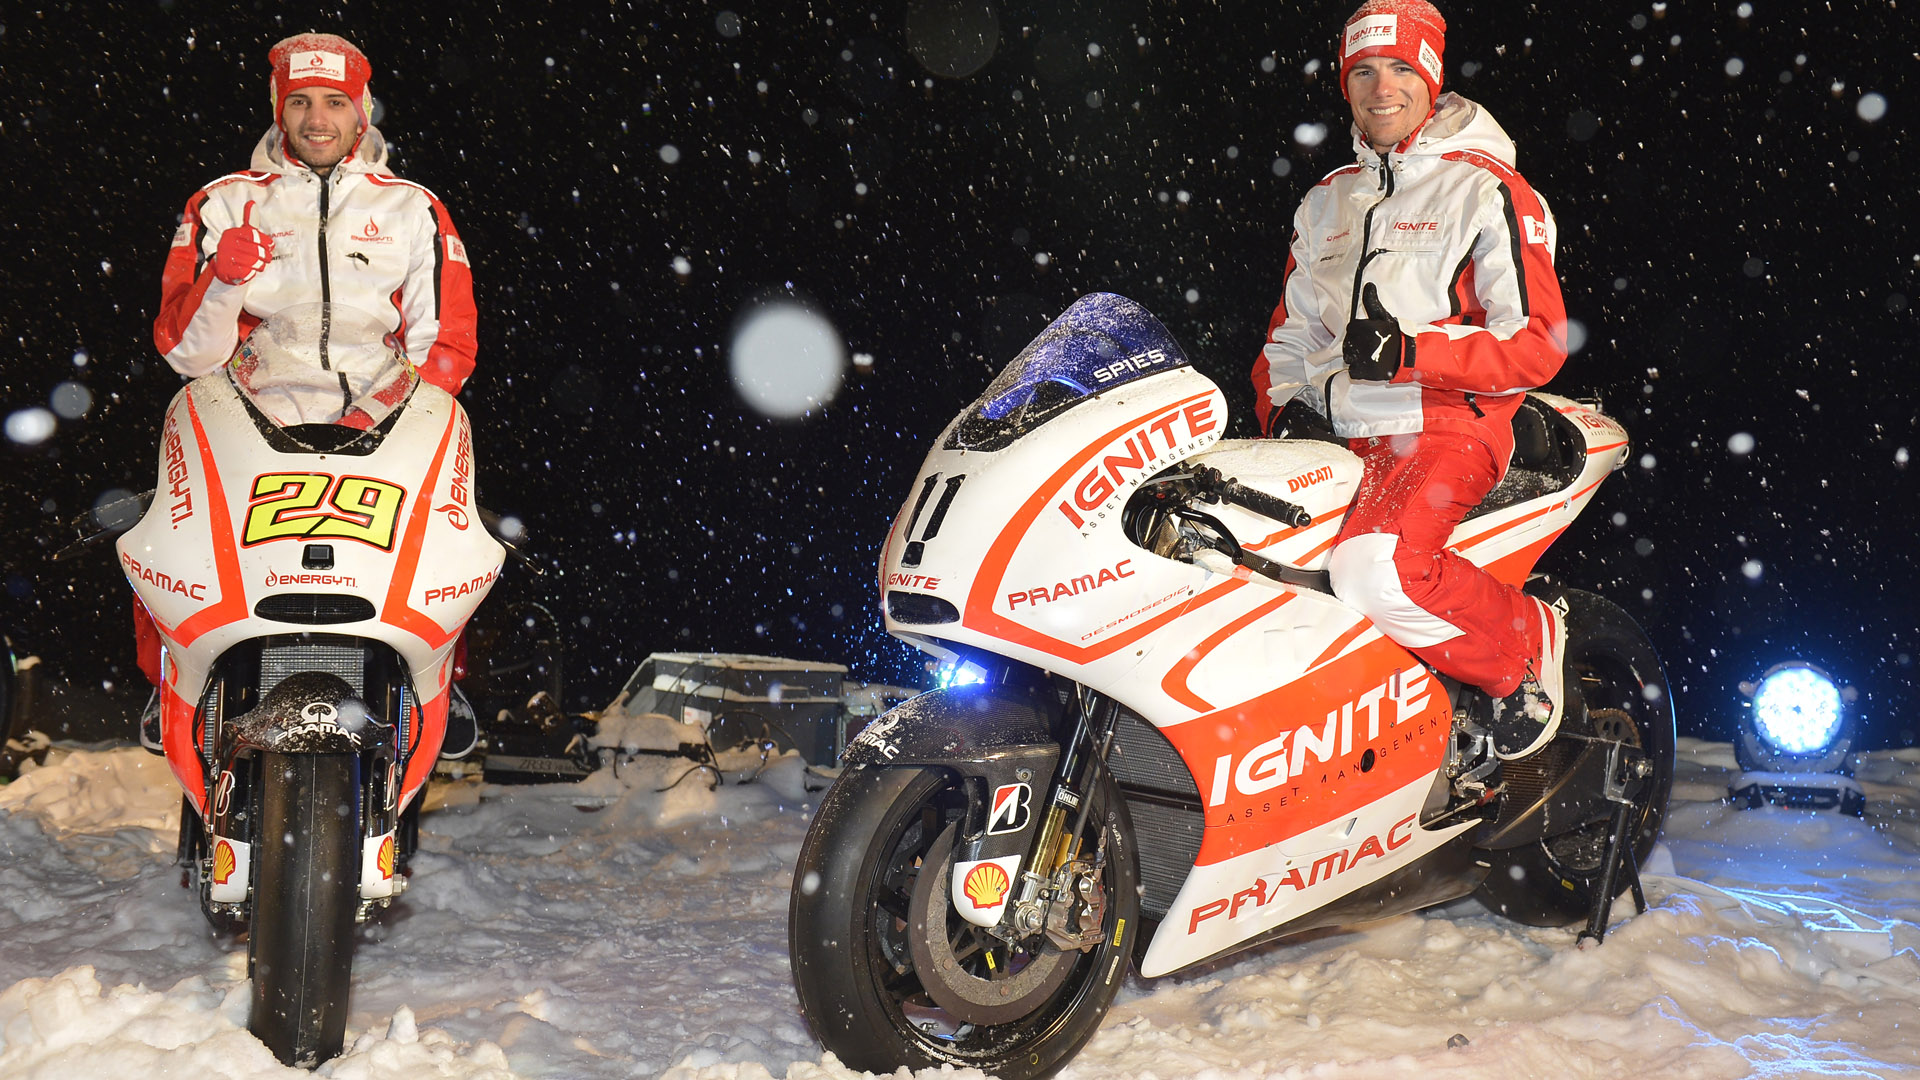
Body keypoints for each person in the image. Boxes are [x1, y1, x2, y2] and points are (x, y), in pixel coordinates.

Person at [135, 32, 478, 751]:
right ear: (277, 108)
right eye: (299, 103)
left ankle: (440, 677)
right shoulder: (224, 202)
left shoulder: (414, 208)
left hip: (382, 415)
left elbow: (445, 343)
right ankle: (171, 681)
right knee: (168, 525)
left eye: (334, 102)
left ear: (361, 110)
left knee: (452, 529)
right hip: (250, 413)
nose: (317, 119)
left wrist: (390, 417)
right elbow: (186, 354)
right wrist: (222, 279)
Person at [1251, 0, 1570, 759]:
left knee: (1374, 571)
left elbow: (1537, 342)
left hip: (1446, 424)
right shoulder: (1326, 200)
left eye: (1401, 67)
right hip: (1334, 432)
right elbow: (1289, 338)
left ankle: (1523, 645)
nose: (1382, 88)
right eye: (1363, 71)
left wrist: (1411, 352)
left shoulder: (1487, 189)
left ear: (1431, 77)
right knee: (1238, 559)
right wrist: (1283, 412)